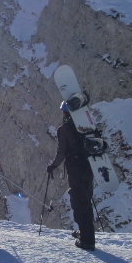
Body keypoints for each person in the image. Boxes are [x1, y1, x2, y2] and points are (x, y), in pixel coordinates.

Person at [47, 102, 96, 250]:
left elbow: (61, 152)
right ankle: (86, 232)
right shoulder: (85, 127)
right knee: (86, 199)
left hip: (75, 169)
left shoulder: (65, 129)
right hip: (89, 167)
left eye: (63, 112)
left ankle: (87, 240)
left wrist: (53, 166)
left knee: (78, 202)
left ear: (66, 114)